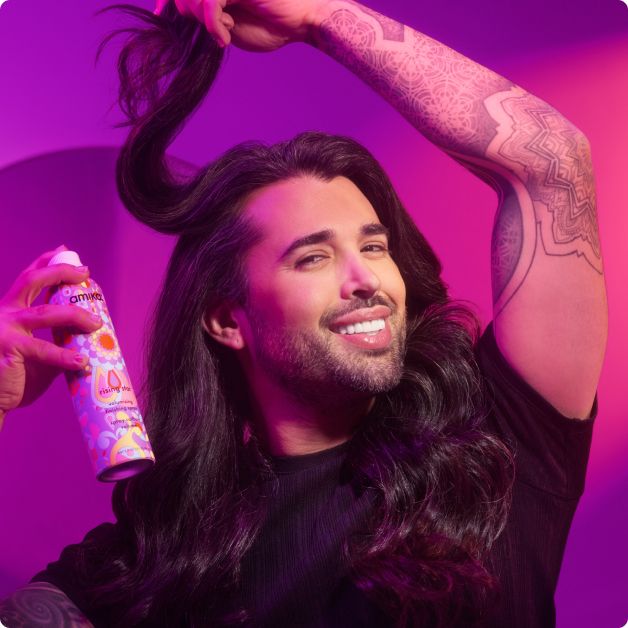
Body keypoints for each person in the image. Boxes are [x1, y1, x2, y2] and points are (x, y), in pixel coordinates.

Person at [0, 0, 607, 626]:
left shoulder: (498, 437)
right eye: (312, 258)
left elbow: (552, 161)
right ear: (227, 321)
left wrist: (319, 15)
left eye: (373, 246)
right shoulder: (169, 543)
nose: (365, 278)